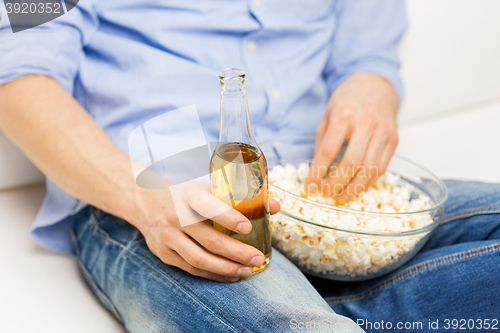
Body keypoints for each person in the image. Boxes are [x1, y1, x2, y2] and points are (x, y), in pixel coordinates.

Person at [0, 1, 498, 332]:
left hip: (317, 181)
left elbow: (368, 48)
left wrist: (371, 84)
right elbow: (19, 72)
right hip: (161, 183)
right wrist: (138, 198)